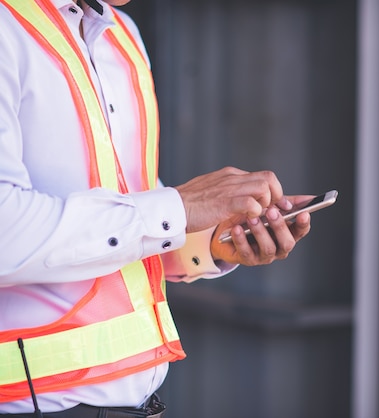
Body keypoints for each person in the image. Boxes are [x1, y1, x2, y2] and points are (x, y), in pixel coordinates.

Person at [0, 0, 313, 416]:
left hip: (142, 404)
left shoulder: (122, 34)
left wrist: (212, 241)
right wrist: (179, 207)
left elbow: (131, 216)